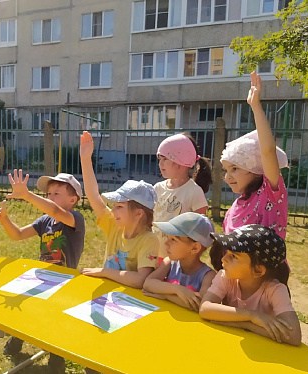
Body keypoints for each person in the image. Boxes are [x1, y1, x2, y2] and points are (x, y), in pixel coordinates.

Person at [0, 169, 85, 374]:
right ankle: (16, 341)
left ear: (73, 199)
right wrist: (5, 219)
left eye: (56, 194)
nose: (50, 198)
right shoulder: (45, 221)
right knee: (28, 310)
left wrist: (26, 194)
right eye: (49, 194)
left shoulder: (75, 219)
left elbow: (57, 212)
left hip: (65, 283)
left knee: (56, 321)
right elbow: (17, 235)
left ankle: (56, 360)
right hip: (42, 277)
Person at [79, 131, 160, 289]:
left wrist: (105, 272)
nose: (113, 210)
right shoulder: (114, 224)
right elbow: (93, 195)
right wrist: (85, 159)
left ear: (139, 213)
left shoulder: (149, 240)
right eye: (114, 206)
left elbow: (140, 280)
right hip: (108, 295)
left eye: (120, 206)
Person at [199, 225, 301, 346]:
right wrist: (252, 316)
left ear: (258, 270)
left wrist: (244, 324)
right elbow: (205, 308)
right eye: (227, 252)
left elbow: (294, 335)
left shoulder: (275, 290)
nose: (224, 258)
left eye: (234, 256)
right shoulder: (225, 277)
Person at [221, 72, 289, 239]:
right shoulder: (235, 207)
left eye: (235, 168)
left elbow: (267, 151)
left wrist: (255, 106)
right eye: (226, 170)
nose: (228, 176)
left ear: (256, 169)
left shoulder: (270, 194)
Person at [153, 132, 212, 261]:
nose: (160, 164)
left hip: (178, 260)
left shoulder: (194, 192)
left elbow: (200, 230)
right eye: (159, 159)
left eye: (164, 159)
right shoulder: (157, 188)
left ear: (179, 162)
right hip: (153, 255)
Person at [142, 212, 216, 311]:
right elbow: (148, 284)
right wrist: (177, 290)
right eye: (167, 237)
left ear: (195, 248)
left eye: (173, 239)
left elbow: (199, 305)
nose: (166, 243)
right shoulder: (169, 263)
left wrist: (165, 296)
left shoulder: (208, 276)